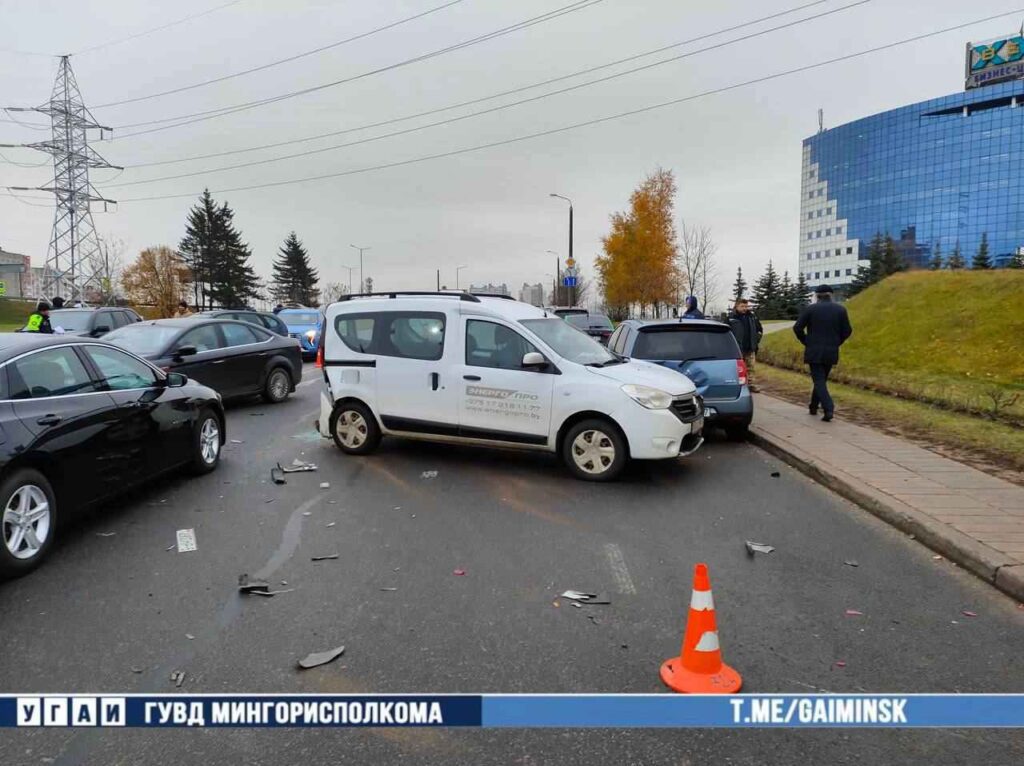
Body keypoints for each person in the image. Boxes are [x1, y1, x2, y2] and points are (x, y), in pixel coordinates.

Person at [792, 284, 853, 422]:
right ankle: (813, 406)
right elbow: (847, 331)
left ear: (817, 296)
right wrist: (837, 342)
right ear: (831, 295)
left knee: (819, 380)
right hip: (831, 350)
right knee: (821, 380)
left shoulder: (811, 309)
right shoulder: (840, 310)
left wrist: (806, 341)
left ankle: (828, 408)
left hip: (814, 350)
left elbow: (797, 328)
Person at [728, 298, 763, 392]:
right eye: (742, 306)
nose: (744, 308)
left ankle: (751, 385)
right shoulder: (731, 318)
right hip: (737, 348)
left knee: (751, 367)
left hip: (750, 347)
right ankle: (738, 385)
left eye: (746, 306)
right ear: (736, 306)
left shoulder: (752, 317)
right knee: (738, 368)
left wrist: (756, 340)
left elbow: (759, 330)